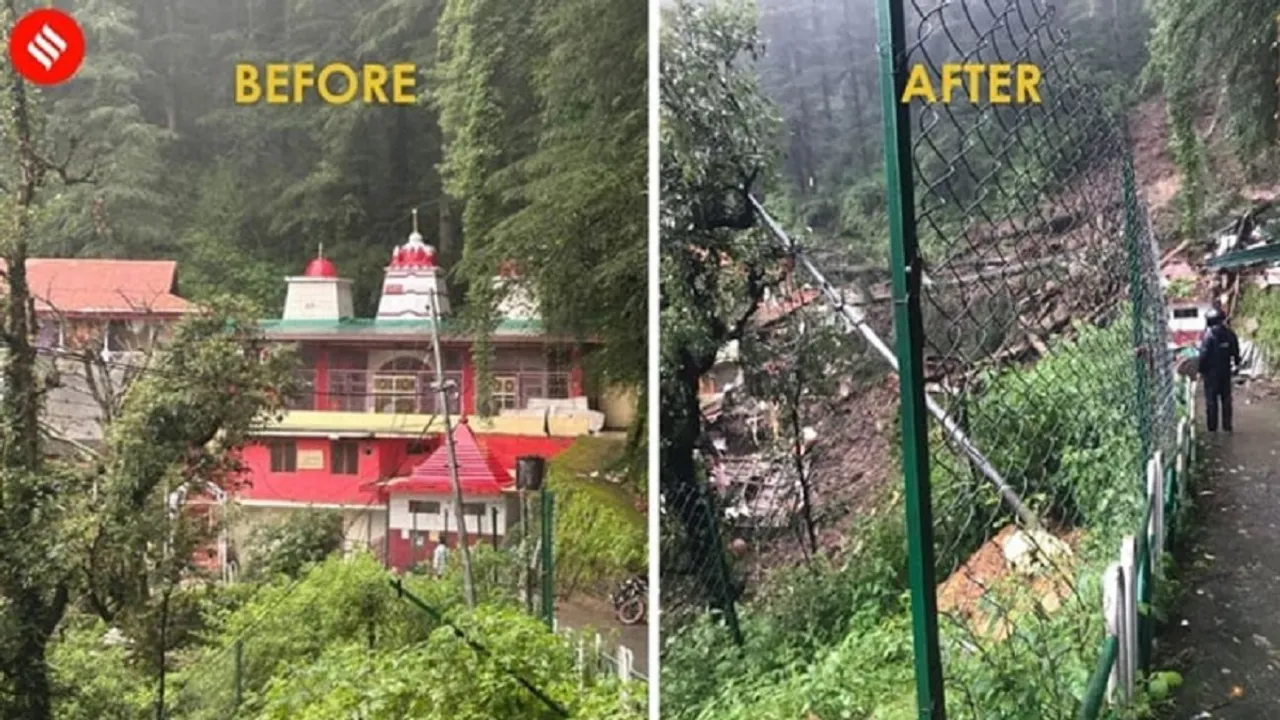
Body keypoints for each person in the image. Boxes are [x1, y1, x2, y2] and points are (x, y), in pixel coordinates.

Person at [1197, 308, 1241, 433]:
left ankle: (1212, 428)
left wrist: (1200, 370)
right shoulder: (1230, 334)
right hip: (1225, 373)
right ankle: (1227, 426)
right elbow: (1236, 352)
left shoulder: (1208, 335)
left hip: (1211, 374)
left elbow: (1204, 355)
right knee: (1226, 400)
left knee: (1211, 401)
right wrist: (1236, 365)